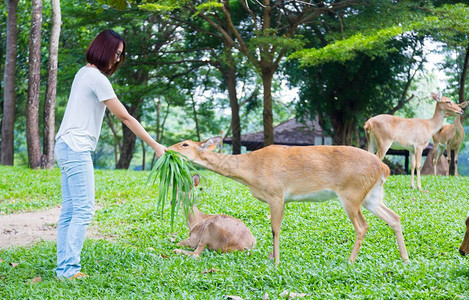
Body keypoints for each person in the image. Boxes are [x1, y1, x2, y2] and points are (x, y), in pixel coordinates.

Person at [54, 29, 166, 279]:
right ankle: (69, 270)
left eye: (121, 55)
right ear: (104, 49)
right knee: (83, 210)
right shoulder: (96, 78)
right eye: (116, 53)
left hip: (65, 145)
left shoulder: (84, 73)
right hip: (76, 147)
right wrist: (155, 145)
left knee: (71, 211)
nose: (117, 59)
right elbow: (125, 116)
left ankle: (64, 268)